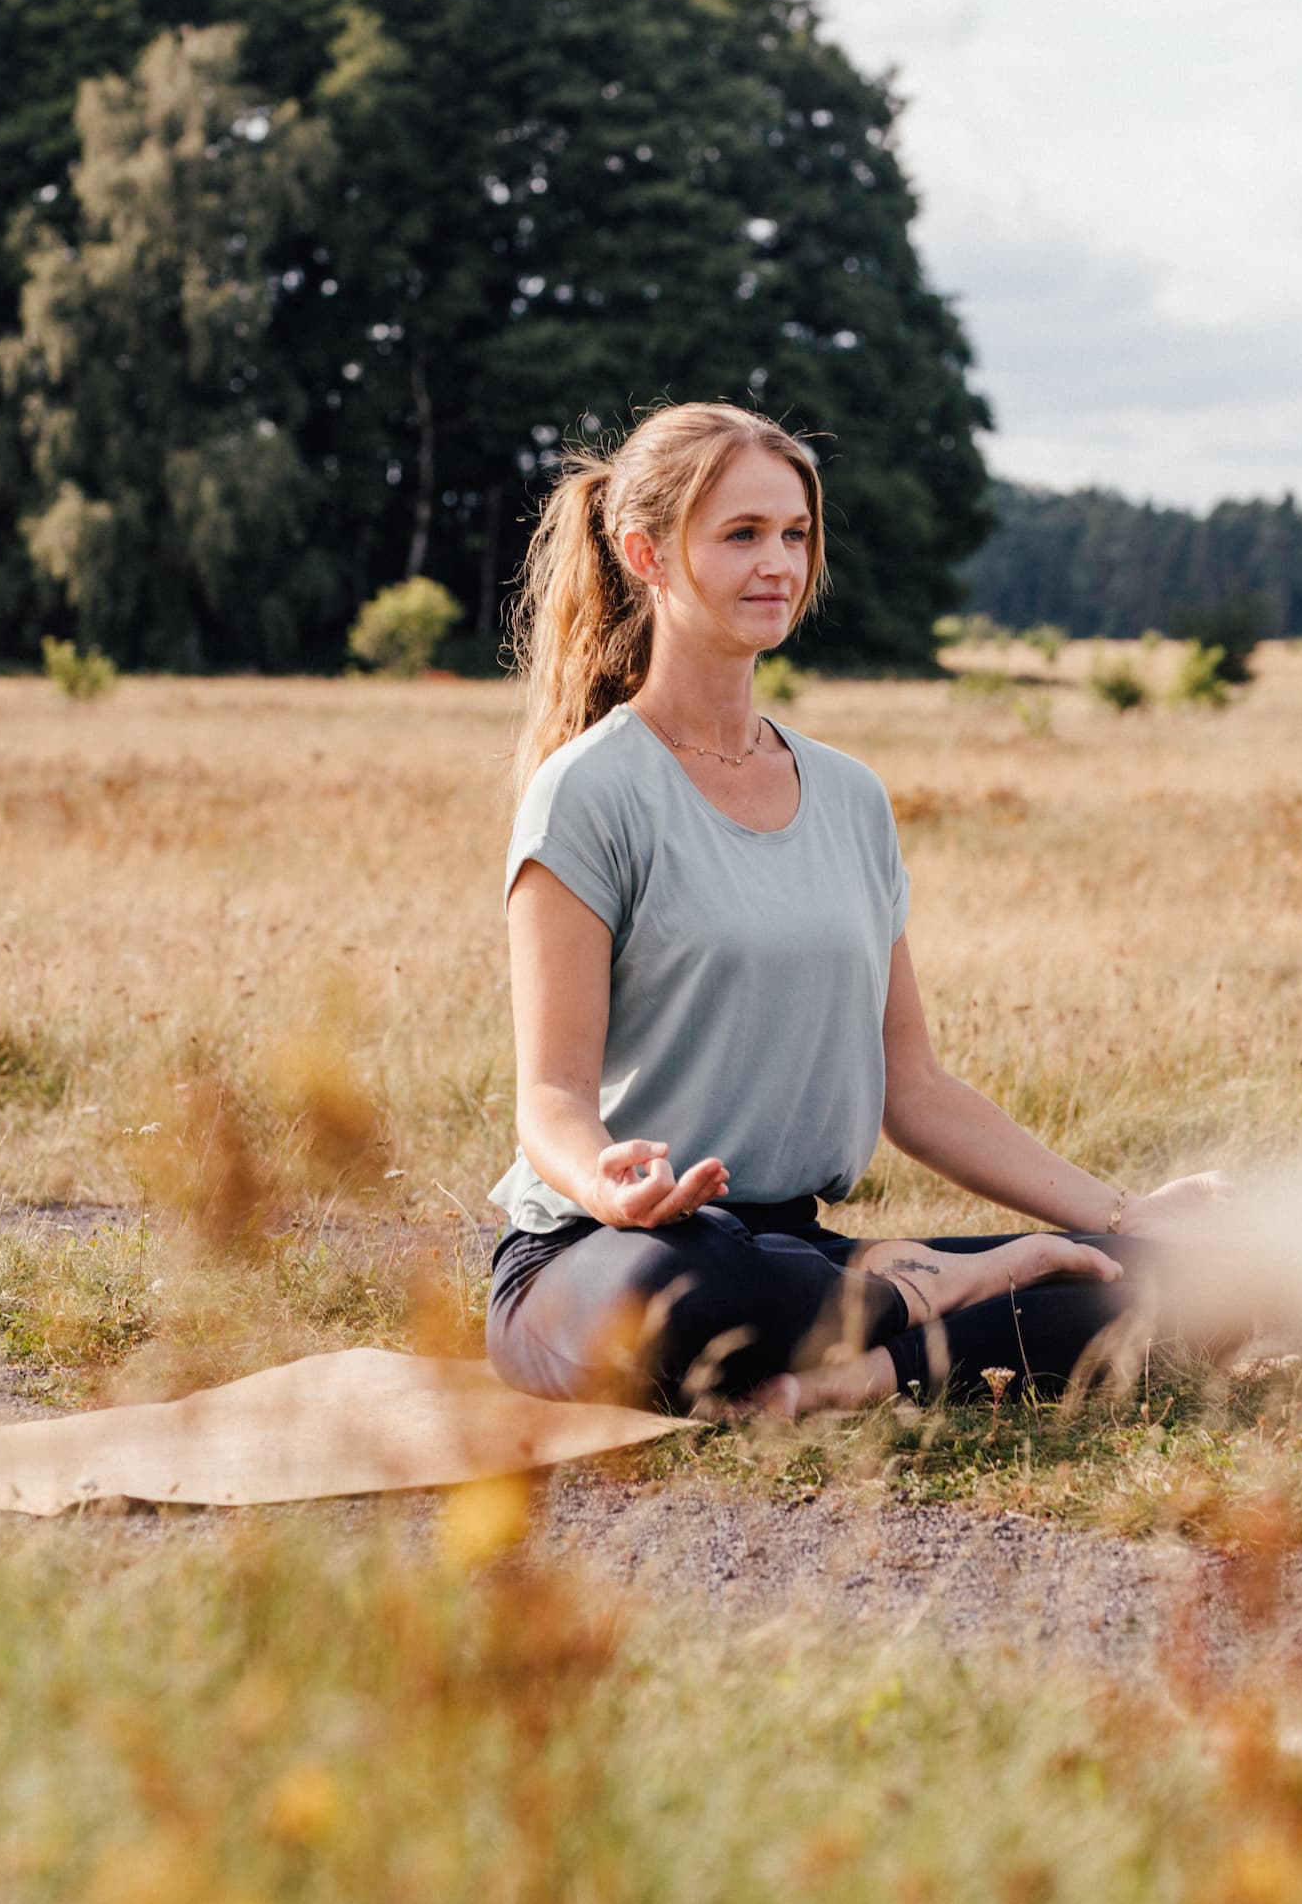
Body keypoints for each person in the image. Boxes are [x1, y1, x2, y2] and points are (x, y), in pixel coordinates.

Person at [486, 402, 1224, 1419]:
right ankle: (939, 1293)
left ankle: (846, 1379)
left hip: (796, 1251)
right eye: (741, 535)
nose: (778, 564)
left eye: (794, 534)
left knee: (1159, 1277)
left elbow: (913, 1087)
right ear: (645, 553)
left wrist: (1125, 1212)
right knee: (695, 1286)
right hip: (611, 1253)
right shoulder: (589, 791)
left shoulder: (849, 796)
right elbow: (551, 1097)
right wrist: (607, 1185)